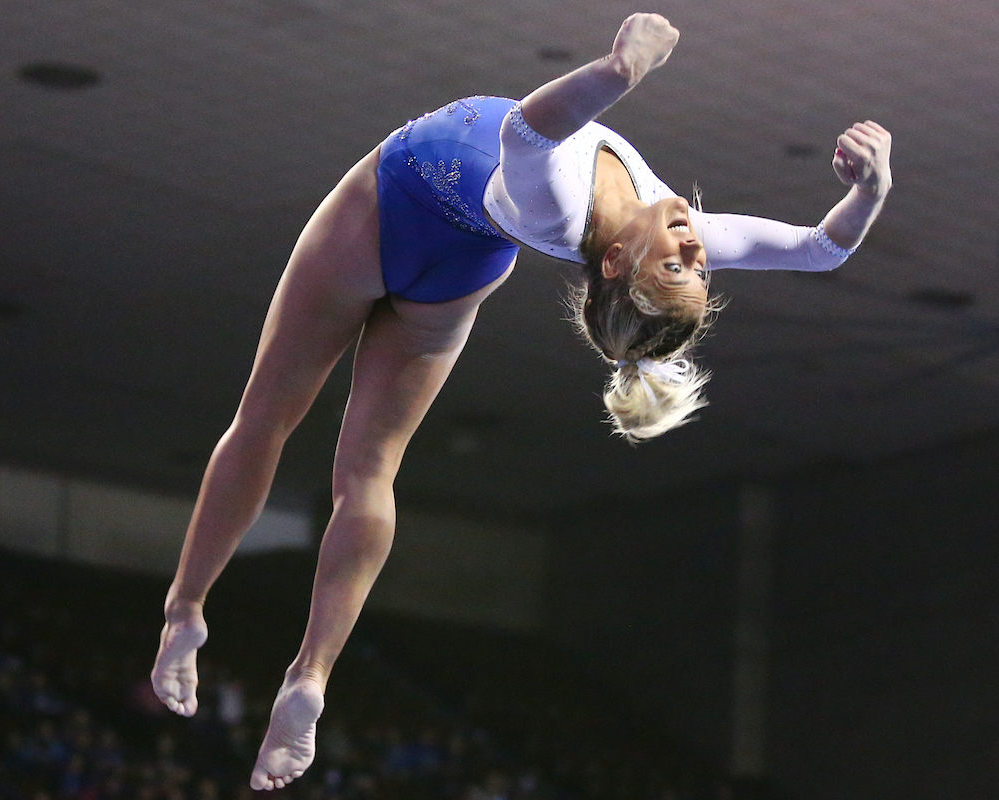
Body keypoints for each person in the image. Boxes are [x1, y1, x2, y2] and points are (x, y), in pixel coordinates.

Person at [150, 13, 892, 790]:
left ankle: (189, 614)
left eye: (679, 267)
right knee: (367, 472)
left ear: (613, 261)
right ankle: (306, 678)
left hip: (382, 210)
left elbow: (531, 132)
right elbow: (820, 248)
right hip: (453, 276)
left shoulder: (559, 210)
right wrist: (871, 193)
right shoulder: (669, 221)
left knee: (266, 418)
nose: (698, 251)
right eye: (701, 270)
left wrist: (619, 71)